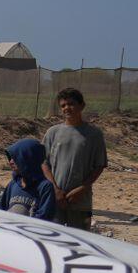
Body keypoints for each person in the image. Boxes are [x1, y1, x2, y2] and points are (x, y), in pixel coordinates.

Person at [43, 88, 108, 231]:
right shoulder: (53, 133)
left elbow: (99, 165)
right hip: (55, 199)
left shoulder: (94, 134)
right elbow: (44, 163)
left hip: (80, 201)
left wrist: (82, 189)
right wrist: (55, 190)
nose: (67, 108)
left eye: (71, 104)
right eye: (63, 105)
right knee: (53, 238)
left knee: (79, 240)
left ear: (82, 106)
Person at [0, 137, 58, 220]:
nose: (10, 162)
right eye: (10, 158)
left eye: (16, 158)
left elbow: (44, 218)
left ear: (28, 160)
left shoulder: (45, 187)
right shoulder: (13, 184)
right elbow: (1, 210)